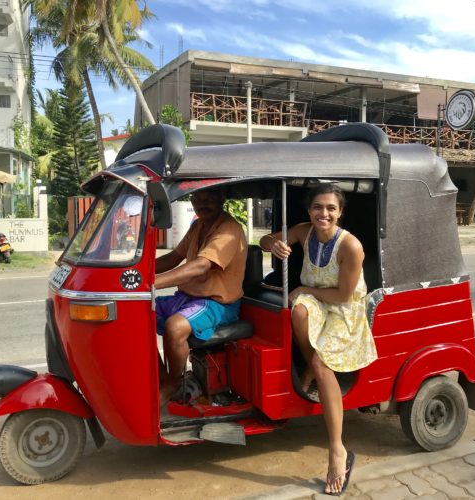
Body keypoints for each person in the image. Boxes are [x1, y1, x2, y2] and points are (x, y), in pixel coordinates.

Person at [259, 183, 377, 496]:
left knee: (321, 363)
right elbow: (262, 240)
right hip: (316, 302)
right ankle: (310, 368)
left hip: (344, 308)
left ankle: (338, 450)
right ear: (309, 210)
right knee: (297, 312)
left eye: (330, 209)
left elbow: (342, 295)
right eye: (317, 207)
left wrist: (305, 290)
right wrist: (273, 243)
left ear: (339, 213)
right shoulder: (303, 231)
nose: (323, 214)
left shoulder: (350, 246)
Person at [155, 188, 247, 405]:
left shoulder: (229, 230)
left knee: (175, 327)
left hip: (215, 303)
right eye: (197, 198)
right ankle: (161, 377)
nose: (202, 203)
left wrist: (151, 283)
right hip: (187, 297)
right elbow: (175, 256)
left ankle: (174, 383)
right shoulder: (198, 226)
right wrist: (137, 270)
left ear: (222, 199)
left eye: (209, 198)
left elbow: (201, 266)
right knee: (137, 313)